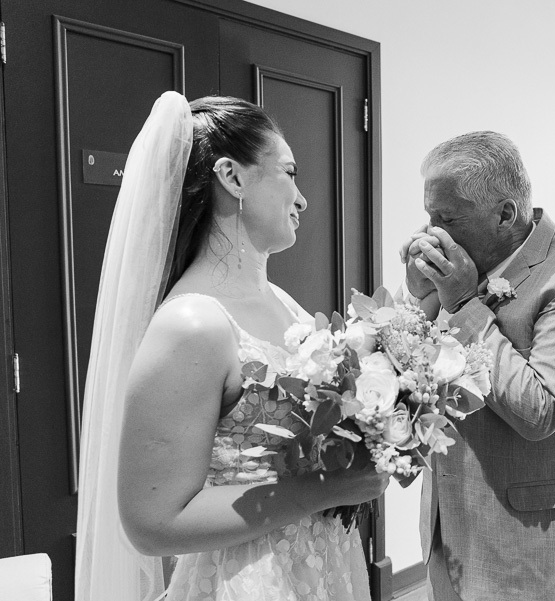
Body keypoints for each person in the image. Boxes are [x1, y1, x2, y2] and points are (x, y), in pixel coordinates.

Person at [75, 92, 388, 601]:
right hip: (249, 579)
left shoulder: (283, 302)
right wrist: (325, 490)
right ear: (233, 177)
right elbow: (153, 523)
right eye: (289, 173)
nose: (302, 199)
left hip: (321, 566)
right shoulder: (193, 324)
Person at [400, 131, 555, 601]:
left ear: (505, 214)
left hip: (535, 542)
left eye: (447, 218)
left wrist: (463, 303)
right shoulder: (459, 268)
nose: (431, 233)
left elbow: (541, 411)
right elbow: (411, 373)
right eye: (430, 216)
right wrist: (419, 297)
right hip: (450, 525)